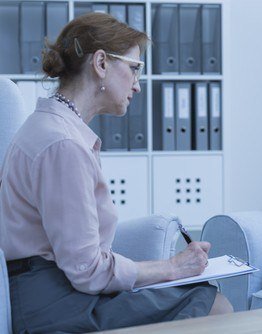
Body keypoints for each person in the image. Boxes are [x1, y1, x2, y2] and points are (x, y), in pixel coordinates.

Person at [0, 12, 232, 333]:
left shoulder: (56, 129)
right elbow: (87, 271)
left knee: (202, 297)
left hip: (55, 290)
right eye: (135, 69)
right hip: (52, 302)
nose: (137, 86)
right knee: (214, 305)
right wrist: (171, 267)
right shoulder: (63, 144)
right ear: (101, 64)